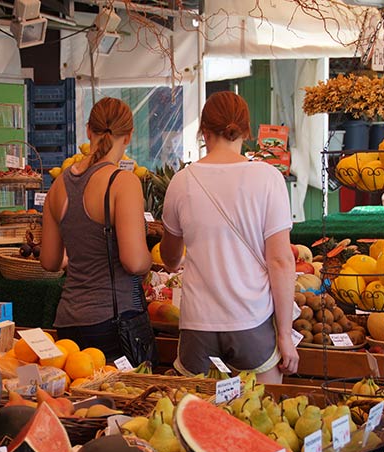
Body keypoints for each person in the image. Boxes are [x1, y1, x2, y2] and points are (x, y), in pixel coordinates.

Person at [159, 91, 298, 383]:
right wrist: (285, 335)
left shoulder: (181, 182)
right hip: (252, 321)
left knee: (195, 421)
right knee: (262, 419)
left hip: (198, 325)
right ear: (245, 131)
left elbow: (170, 259)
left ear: (203, 131)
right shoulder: (267, 178)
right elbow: (281, 261)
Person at [40, 97, 155, 363]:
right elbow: (133, 261)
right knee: (124, 401)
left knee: (80, 400)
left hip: (68, 322)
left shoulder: (58, 186)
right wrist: (150, 258)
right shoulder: (123, 182)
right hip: (114, 323)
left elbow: (49, 262)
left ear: (88, 130)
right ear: (128, 137)